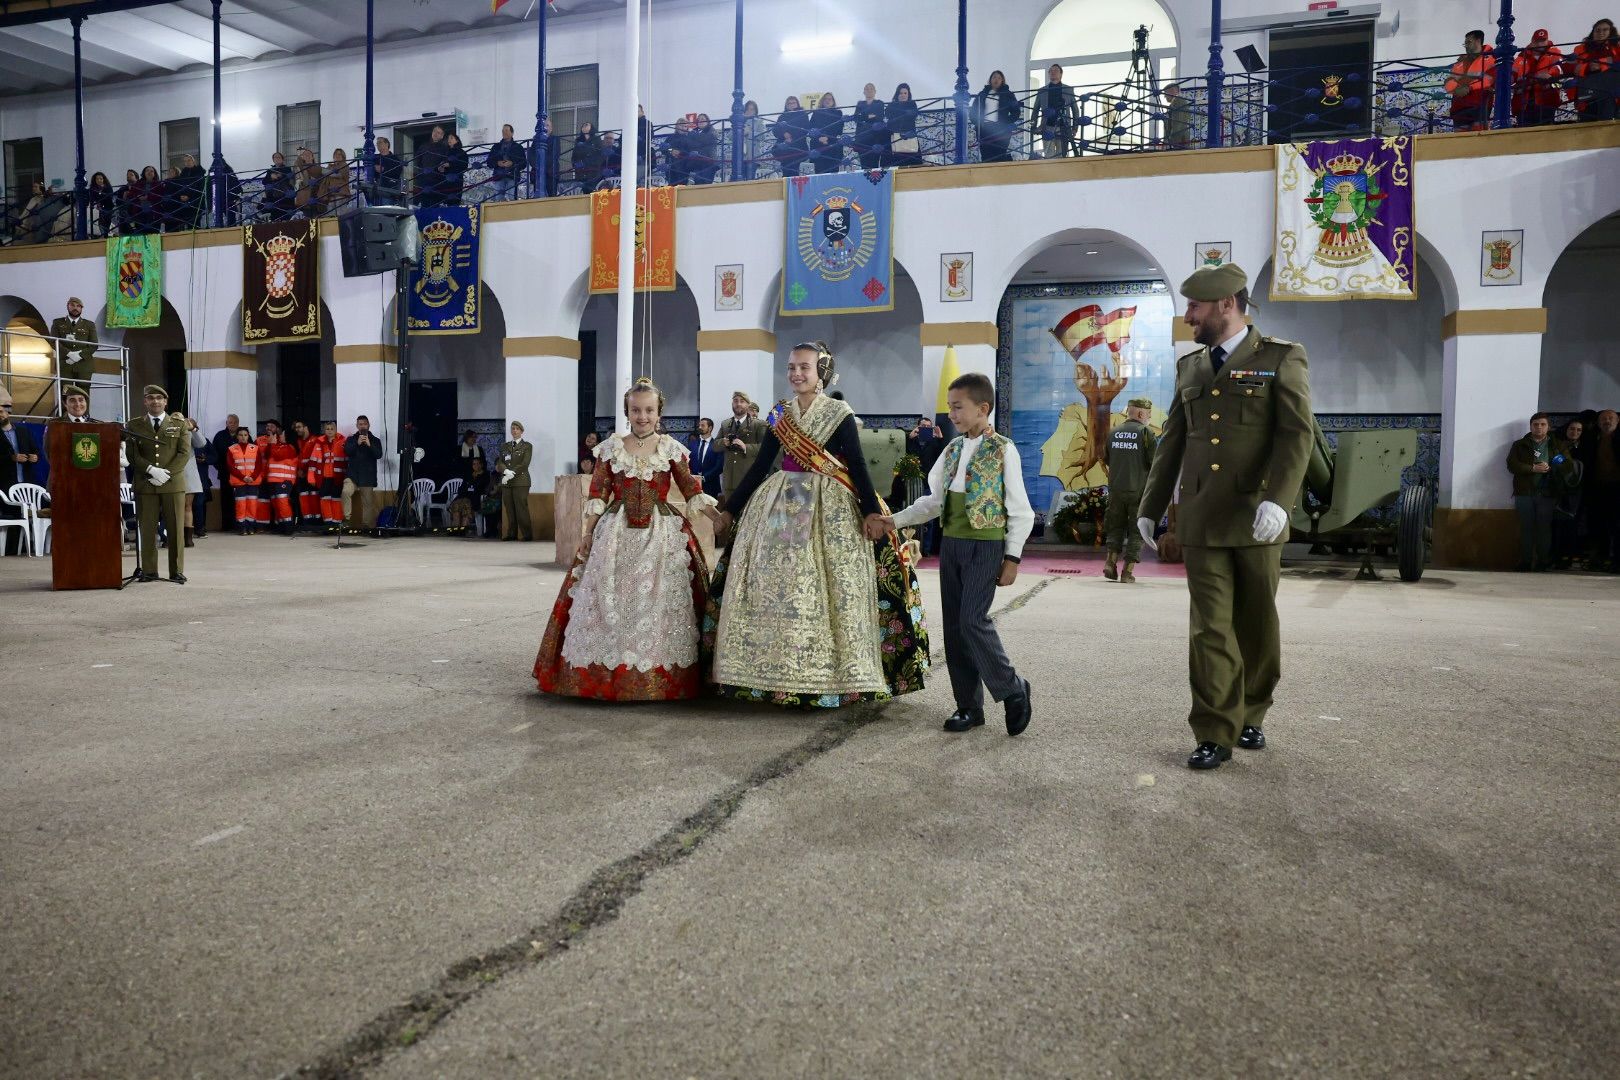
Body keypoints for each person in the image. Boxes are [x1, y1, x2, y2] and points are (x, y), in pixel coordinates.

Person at [1135, 264, 1314, 771]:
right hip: (1202, 518)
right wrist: (1151, 506)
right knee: (1208, 628)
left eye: (1195, 306)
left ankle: (1252, 710)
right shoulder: (1190, 366)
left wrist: (1279, 500)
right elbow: (1173, 438)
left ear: (1227, 305)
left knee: (1256, 624)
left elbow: (1295, 435)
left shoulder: (1281, 357)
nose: (1187, 315)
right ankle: (1215, 728)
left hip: (1257, 515)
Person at [710, 342, 929, 706]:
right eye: (792, 366)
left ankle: (827, 675)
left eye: (805, 367)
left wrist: (870, 511)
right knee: (778, 578)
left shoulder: (838, 412)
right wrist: (731, 509)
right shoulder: (780, 414)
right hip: (781, 503)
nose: (796, 373)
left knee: (829, 582)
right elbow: (761, 466)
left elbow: (857, 464)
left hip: (830, 503)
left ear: (821, 373)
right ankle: (767, 672)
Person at [535, 377, 720, 699]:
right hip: (615, 535)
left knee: (660, 601)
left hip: (661, 535)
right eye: (636, 410)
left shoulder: (671, 449)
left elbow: (690, 487)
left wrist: (719, 519)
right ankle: (607, 671)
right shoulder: (611, 449)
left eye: (649, 410)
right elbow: (598, 493)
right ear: (627, 411)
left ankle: (661, 674)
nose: (642, 416)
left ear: (659, 413)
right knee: (608, 599)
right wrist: (587, 533)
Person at [872, 372, 1032, 735]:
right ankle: (968, 707)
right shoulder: (952, 450)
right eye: (950, 407)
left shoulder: (1003, 449)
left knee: (974, 620)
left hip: (987, 545)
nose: (952, 414)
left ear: (983, 409)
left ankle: (1012, 688)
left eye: (958, 407)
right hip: (953, 545)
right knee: (956, 628)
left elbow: (1020, 508)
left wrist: (1013, 558)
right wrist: (893, 520)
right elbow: (933, 502)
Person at [126, 385, 191, 582]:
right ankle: (149, 571)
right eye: (150, 398)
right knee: (147, 529)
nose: (155, 401)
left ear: (165, 401)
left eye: (159, 398)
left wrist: (165, 473)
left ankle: (176, 570)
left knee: (175, 529)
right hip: (146, 483)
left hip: (172, 483)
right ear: (145, 401)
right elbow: (132, 454)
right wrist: (150, 470)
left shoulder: (179, 424)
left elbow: (184, 452)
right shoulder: (134, 425)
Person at [1507, 412, 1577, 572]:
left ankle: (1542, 561)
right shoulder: (1520, 445)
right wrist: (1532, 468)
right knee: (1526, 527)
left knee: (1544, 528)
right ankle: (1525, 561)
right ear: (1531, 426)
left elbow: (1569, 466)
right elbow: (1512, 465)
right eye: (1535, 424)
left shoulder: (1557, 445)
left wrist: (1553, 465)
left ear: (1548, 427)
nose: (1539, 427)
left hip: (1547, 492)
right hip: (1524, 492)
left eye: (1542, 424)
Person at [1103, 397, 1157, 583]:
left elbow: (1107, 459)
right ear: (1141, 413)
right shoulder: (1146, 433)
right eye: (1148, 414)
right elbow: (1154, 463)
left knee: (1115, 526)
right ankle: (1127, 572)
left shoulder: (1114, 432)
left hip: (1116, 490)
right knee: (1136, 530)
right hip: (1138, 491)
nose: (1148, 417)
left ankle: (1110, 562)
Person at [1513, 29, 1570, 128]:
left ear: (1547, 41)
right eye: (1537, 41)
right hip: (1524, 103)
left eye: (1543, 41)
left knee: (1545, 134)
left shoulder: (1555, 54)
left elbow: (1559, 71)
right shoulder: (1521, 58)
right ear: (1532, 42)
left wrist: (1548, 75)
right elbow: (1511, 76)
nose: (1540, 44)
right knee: (1523, 136)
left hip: (1546, 100)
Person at [1445, 30, 1496, 132]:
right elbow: (1448, 82)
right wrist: (1456, 90)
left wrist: (1469, 87)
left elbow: (1489, 80)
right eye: (1465, 43)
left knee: (1478, 142)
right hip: (1459, 108)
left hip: (1479, 106)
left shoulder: (1491, 59)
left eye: (1469, 42)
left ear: (1478, 41)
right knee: (1460, 143)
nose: (1466, 46)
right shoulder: (1460, 62)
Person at [1570, 18, 1620, 122]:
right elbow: (1574, 68)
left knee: (1607, 126)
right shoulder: (1581, 49)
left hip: (1611, 95)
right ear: (1592, 33)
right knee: (1586, 129)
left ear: (1611, 32)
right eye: (1597, 30)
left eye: (1605, 30)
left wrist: (1602, 64)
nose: (1601, 33)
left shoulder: (1617, 48)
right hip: (1587, 95)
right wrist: (1589, 66)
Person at [719, 390, 766, 500]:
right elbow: (715, 446)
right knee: (729, 514)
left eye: (742, 401)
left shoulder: (759, 424)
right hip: (729, 479)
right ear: (732, 404)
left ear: (748, 405)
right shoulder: (726, 424)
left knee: (747, 514)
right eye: (735, 401)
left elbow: (765, 448)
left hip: (748, 478)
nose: (738, 404)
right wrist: (724, 442)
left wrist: (746, 447)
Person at [1553, 418, 1587, 568]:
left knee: (1572, 525)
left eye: (1579, 430)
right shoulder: (1558, 446)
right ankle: (1556, 556)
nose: (1575, 432)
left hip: (1577, 492)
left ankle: (1569, 556)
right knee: (1556, 525)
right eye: (1572, 429)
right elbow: (1555, 463)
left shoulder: (1585, 448)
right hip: (1559, 490)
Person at [50, 296, 98, 393]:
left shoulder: (89, 325)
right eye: (72, 305)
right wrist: (69, 354)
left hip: (84, 365)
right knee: (65, 394)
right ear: (68, 306)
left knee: (83, 395)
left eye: (78, 306)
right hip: (65, 364)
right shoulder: (58, 323)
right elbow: (53, 341)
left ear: (81, 308)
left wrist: (78, 355)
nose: (75, 308)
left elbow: (94, 345)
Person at [259, 420, 300, 533]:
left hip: (284, 480)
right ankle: (281, 526)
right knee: (276, 504)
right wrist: (271, 444)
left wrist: (272, 444)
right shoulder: (278, 446)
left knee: (282, 503)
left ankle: (288, 527)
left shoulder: (290, 448)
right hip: (273, 480)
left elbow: (277, 456)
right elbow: (268, 454)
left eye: (282, 435)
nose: (280, 436)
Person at [343, 415, 383, 531]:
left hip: (367, 476)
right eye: (360, 424)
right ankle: (346, 519)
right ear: (357, 426)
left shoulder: (375, 440)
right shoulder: (351, 439)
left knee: (368, 503)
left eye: (364, 424)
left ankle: (367, 526)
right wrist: (357, 443)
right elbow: (347, 451)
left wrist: (370, 445)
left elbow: (379, 455)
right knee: (346, 491)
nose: (362, 426)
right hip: (353, 475)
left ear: (368, 425)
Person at [972, 71, 1021, 163]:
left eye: (999, 78)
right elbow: (973, 110)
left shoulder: (1008, 94)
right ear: (990, 80)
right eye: (994, 77)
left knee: (1000, 155)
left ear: (1002, 80)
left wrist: (1005, 121)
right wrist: (977, 123)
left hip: (1001, 129)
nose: (996, 80)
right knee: (986, 157)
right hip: (984, 129)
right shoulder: (982, 94)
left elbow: (1016, 112)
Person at [1033, 65, 1080, 158]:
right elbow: (1035, 110)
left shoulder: (1068, 89)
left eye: (1056, 70)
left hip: (1063, 127)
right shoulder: (1042, 90)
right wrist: (1033, 126)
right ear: (1049, 74)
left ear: (1061, 74)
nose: (1053, 72)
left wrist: (1075, 128)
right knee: (1048, 156)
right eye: (1051, 71)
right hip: (1046, 127)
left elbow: (1075, 110)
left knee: (1062, 156)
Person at [498, 420, 533, 541]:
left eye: (517, 429)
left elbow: (524, 464)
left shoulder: (527, 446)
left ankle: (527, 534)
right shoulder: (505, 446)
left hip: (521, 481)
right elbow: (500, 462)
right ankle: (511, 533)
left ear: (521, 431)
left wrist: (511, 473)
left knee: (521, 508)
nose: (514, 431)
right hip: (507, 482)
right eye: (512, 428)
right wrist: (505, 472)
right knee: (509, 508)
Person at [226, 426, 262, 535]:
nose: (243, 437)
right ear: (237, 436)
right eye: (241, 435)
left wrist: (252, 477)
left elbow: (259, 465)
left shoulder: (255, 448)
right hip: (239, 481)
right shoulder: (231, 449)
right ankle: (242, 528)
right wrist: (243, 477)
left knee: (252, 504)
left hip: (252, 481)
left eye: (245, 435)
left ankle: (250, 527)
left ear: (248, 436)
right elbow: (230, 466)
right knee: (240, 505)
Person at [450, 455, 494, 535]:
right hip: (464, 496)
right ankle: (455, 530)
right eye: (474, 464)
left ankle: (463, 530)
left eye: (477, 464)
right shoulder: (469, 475)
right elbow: (462, 487)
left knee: (466, 505)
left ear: (481, 465)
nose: (475, 466)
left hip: (475, 498)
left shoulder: (486, 475)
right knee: (456, 504)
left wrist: (472, 485)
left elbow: (482, 488)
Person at [292, 419, 325, 527]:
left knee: (314, 498)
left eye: (299, 427)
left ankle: (317, 523)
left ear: (305, 427)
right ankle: (307, 523)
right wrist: (298, 471)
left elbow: (316, 458)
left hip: (312, 474)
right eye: (296, 427)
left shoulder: (315, 440)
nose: (297, 429)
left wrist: (306, 471)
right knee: (303, 498)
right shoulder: (297, 441)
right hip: (300, 476)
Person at [179, 415, 205, 547]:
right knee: (173, 508)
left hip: (188, 473)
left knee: (188, 506)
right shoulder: (169, 432)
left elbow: (201, 443)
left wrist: (193, 429)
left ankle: (188, 538)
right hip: (173, 472)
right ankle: (172, 536)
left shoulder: (189, 433)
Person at [685, 417, 724, 498]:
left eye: (702, 425)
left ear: (709, 428)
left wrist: (704, 478)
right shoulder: (692, 444)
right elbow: (687, 461)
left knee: (710, 509)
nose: (700, 427)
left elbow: (719, 467)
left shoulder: (717, 445)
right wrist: (692, 476)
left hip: (711, 485)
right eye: (699, 425)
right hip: (693, 485)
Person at [885, 83, 922, 168]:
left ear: (908, 94)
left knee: (913, 161)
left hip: (909, 135)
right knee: (895, 162)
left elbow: (913, 115)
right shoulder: (892, 105)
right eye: (901, 93)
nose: (903, 95)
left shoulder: (912, 104)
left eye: (905, 93)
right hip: (895, 136)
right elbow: (888, 115)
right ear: (897, 94)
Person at [771, 97, 810, 176]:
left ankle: (793, 185)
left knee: (794, 168)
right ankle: (786, 185)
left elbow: (805, 130)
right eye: (789, 103)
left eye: (793, 103)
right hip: (784, 147)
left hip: (798, 146)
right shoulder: (782, 117)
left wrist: (791, 137)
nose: (791, 105)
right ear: (786, 105)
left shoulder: (803, 115)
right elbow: (775, 130)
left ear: (797, 104)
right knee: (785, 167)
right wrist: (784, 134)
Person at [852, 84, 887, 171]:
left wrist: (864, 117)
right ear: (864, 91)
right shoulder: (860, 104)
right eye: (867, 89)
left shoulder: (879, 103)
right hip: (862, 139)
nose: (869, 90)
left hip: (876, 138)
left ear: (875, 91)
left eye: (871, 89)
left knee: (875, 165)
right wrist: (869, 117)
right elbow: (856, 118)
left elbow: (880, 117)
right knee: (864, 165)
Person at [318, 420, 346, 530]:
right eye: (327, 429)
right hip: (325, 476)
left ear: (335, 430)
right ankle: (328, 521)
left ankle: (337, 522)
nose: (329, 431)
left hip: (337, 475)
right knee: (324, 498)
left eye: (332, 429)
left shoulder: (342, 441)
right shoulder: (320, 442)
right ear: (324, 431)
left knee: (336, 498)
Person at [808, 94, 845, 175]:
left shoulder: (838, 113)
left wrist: (827, 137)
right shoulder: (816, 113)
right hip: (818, 145)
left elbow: (839, 129)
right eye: (825, 99)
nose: (828, 100)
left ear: (833, 102)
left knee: (833, 174)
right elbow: (810, 128)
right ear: (822, 101)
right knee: (820, 173)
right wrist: (819, 138)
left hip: (833, 147)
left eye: (830, 99)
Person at [415, 127, 450, 207]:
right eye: (434, 131)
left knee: (437, 208)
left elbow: (447, 162)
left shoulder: (445, 148)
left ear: (442, 136)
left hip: (438, 181)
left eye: (438, 132)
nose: (435, 134)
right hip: (424, 180)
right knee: (425, 206)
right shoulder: (423, 146)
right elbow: (418, 161)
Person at [487, 124, 522, 201]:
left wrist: (512, 163)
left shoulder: (518, 147)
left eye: (506, 130)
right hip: (499, 176)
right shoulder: (496, 147)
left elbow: (523, 163)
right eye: (503, 131)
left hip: (512, 176)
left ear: (512, 133)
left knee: (512, 199)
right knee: (498, 199)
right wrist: (498, 163)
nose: (504, 132)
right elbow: (489, 162)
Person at [317, 148, 353, 215]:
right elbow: (323, 172)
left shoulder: (345, 165)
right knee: (331, 215)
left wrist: (326, 171)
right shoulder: (330, 166)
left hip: (341, 194)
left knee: (340, 215)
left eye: (340, 154)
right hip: (330, 194)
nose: (337, 155)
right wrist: (326, 171)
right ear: (333, 156)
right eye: (336, 154)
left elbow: (338, 174)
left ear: (343, 156)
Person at [570, 122, 605, 192]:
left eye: (586, 125)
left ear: (591, 127)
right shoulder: (578, 141)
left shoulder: (597, 139)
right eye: (583, 125)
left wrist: (589, 163)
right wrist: (577, 165)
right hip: (581, 174)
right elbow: (574, 157)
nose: (584, 126)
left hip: (594, 173)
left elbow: (601, 155)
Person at [174, 154, 208, 228]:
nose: (187, 162)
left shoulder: (199, 172)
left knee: (195, 222)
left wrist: (188, 196)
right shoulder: (183, 173)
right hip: (185, 202)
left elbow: (199, 187)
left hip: (196, 201)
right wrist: (181, 195)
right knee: (187, 222)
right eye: (185, 161)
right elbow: (180, 186)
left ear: (193, 161)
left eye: (189, 160)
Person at [261, 152, 295, 220]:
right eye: (275, 157)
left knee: (285, 215)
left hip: (284, 196)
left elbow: (288, 177)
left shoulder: (287, 168)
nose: (277, 159)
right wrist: (271, 177)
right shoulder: (270, 170)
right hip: (272, 196)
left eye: (278, 157)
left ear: (282, 159)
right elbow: (264, 182)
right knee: (274, 215)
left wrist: (277, 176)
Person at [739, 100, 767, 180]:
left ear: (755, 111)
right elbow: (730, 136)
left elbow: (763, 136)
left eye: (752, 109)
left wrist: (749, 133)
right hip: (739, 157)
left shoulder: (759, 122)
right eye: (747, 109)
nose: (749, 111)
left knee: (749, 180)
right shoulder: (739, 121)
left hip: (752, 156)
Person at [373, 137, 405, 205]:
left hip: (389, 187)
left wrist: (384, 169)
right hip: (375, 187)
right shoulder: (375, 158)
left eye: (380, 142)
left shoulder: (395, 159)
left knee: (386, 208)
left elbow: (397, 173)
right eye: (377, 143)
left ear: (387, 144)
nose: (378, 144)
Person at [1162, 82, 1193, 149]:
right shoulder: (1175, 102)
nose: (1164, 96)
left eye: (1165, 93)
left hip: (1179, 141)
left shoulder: (1178, 100)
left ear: (1172, 91)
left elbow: (1177, 123)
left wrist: (1172, 142)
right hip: (1179, 141)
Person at [87, 171, 116, 238]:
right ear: (94, 180)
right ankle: (104, 236)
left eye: (101, 179)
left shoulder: (107, 187)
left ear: (103, 179)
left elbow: (108, 198)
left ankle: (106, 236)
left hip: (108, 207)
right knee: (100, 223)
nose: (99, 180)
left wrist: (101, 193)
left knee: (106, 223)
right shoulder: (93, 188)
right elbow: (93, 198)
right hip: (99, 208)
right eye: (97, 179)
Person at [441, 135, 469, 206]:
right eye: (448, 138)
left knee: (455, 201)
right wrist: (440, 167)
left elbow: (464, 165)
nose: (449, 140)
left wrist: (450, 165)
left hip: (456, 180)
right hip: (445, 181)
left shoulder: (461, 152)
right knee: (445, 202)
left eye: (451, 138)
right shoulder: (445, 152)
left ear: (457, 140)